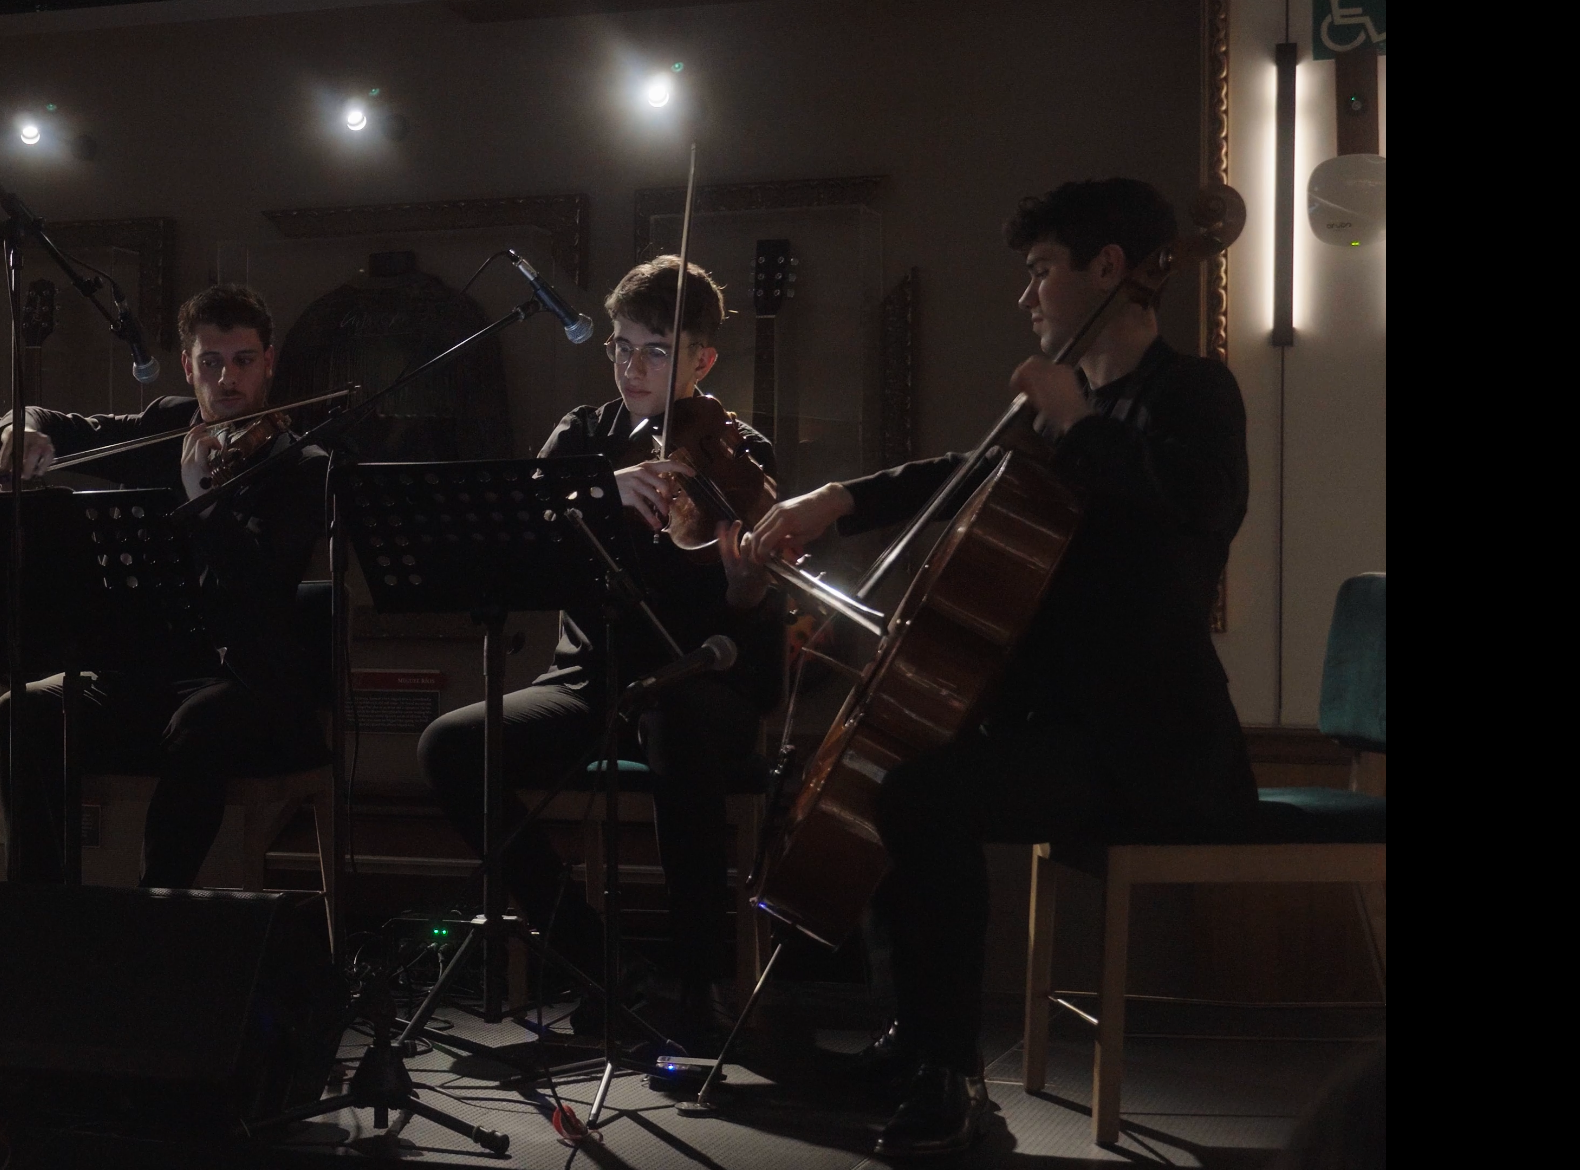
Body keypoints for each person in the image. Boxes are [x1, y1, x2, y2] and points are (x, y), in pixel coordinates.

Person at [753, 178, 1255, 1157]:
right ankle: (915, 1045)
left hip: (1152, 748)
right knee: (902, 778)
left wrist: (1079, 421)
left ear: (1109, 269)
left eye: (1041, 271)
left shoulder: (1193, 394)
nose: (1027, 296)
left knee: (920, 797)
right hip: (1058, 728)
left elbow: (1194, 511)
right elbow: (964, 472)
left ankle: (949, 1078)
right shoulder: (1065, 413)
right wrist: (837, 500)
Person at [416, 256, 786, 1041]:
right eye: (620, 346)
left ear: (702, 360)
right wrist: (601, 491)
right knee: (451, 746)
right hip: (591, 682)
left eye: (655, 349)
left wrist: (747, 585)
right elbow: (520, 533)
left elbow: (753, 616)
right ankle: (598, 957)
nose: (631, 366)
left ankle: (698, 980)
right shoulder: (586, 436)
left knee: (676, 721)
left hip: (699, 685)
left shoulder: (740, 452)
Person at [0, 284, 330, 889]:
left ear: (269, 362)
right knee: (23, 711)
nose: (229, 380)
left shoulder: (300, 464)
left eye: (244, 361)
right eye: (212, 362)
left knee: (200, 724)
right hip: (149, 672)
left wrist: (203, 499)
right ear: (187, 366)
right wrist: (20, 427)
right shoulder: (170, 424)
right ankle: (40, 905)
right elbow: (60, 423)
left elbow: (259, 589)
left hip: (244, 681)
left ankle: (158, 910)